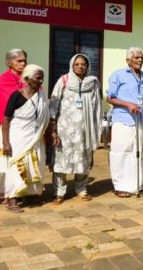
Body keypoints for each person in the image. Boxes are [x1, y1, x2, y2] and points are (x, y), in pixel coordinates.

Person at [49, 54, 102, 204]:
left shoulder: (93, 82)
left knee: (83, 159)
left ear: (88, 66)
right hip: (64, 128)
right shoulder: (64, 80)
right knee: (61, 160)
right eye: (76, 64)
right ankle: (59, 192)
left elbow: (97, 106)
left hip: (85, 129)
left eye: (83, 64)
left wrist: (97, 126)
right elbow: (54, 102)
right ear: (72, 65)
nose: (80, 66)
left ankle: (81, 189)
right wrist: (53, 125)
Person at [2, 64, 49, 213]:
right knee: (16, 166)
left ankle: (31, 195)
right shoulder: (16, 95)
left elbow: (45, 117)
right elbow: (6, 119)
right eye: (37, 78)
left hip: (35, 137)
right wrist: (5, 141)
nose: (41, 81)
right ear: (27, 79)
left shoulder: (40, 96)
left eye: (42, 78)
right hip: (18, 137)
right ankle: (12, 199)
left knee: (35, 164)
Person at [106, 48, 143, 198]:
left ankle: (136, 183)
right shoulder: (118, 74)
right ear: (128, 60)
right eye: (136, 57)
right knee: (121, 152)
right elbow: (109, 97)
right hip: (123, 119)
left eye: (141, 57)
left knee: (141, 152)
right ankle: (120, 186)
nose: (140, 60)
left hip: (139, 121)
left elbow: (142, 100)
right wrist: (127, 104)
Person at [0, 48, 27, 204]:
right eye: (19, 61)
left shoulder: (28, 77)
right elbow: (7, 104)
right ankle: (7, 191)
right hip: (7, 123)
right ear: (9, 62)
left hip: (26, 125)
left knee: (22, 156)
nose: (23, 63)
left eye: (25, 60)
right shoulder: (3, 80)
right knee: (8, 155)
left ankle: (21, 188)